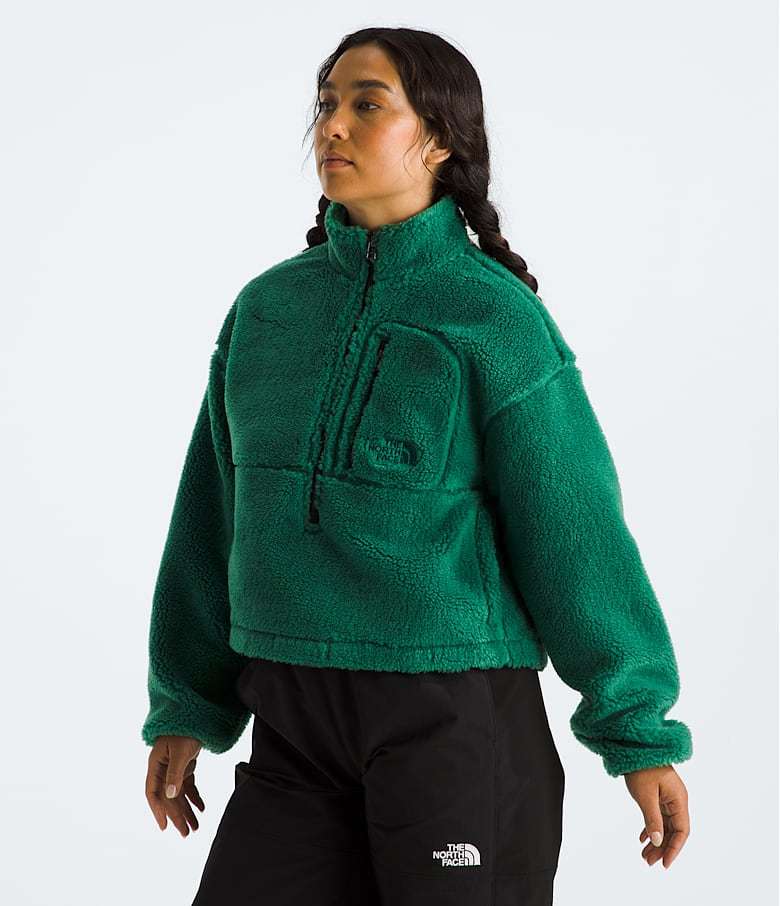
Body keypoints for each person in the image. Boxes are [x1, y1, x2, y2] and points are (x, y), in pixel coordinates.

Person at [142, 27, 693, 906]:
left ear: (438, 138)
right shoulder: (267, 310)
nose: (333, 126)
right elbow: (211, 514)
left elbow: (576, 532)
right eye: (327, 103)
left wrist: (638, 731)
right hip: (291, 712)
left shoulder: (493, 320)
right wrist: (189, 705)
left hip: (452, 715)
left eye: (367, 104)